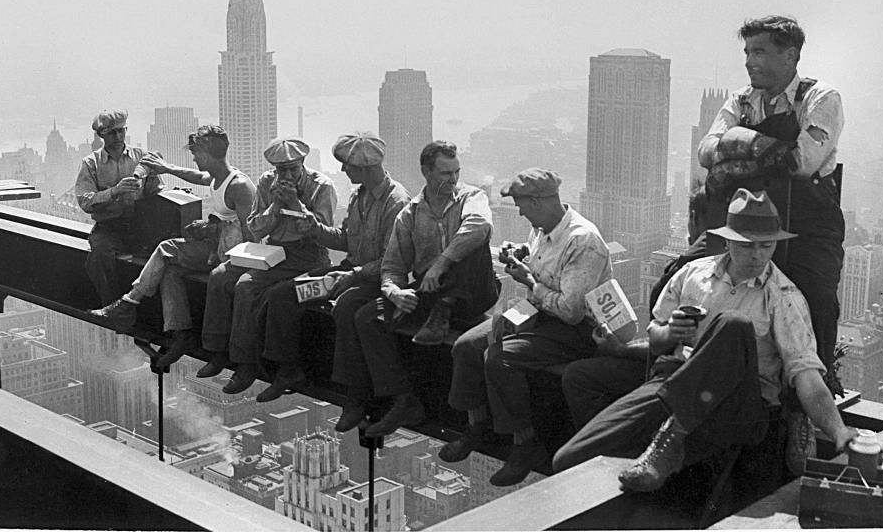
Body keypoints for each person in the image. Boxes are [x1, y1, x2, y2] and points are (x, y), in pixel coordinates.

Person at [552, 188, 858, 495]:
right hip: (675, 385)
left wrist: (838, 430)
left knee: (734, 325)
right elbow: (655, 338)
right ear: (727, 241)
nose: (757, 255)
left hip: (737, 406)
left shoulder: (783, 297)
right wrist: (671, 331)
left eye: (766, 246)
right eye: (747, 245)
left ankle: (671, 439)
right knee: (568, 459)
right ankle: (657, 455)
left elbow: (807, 376)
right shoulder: (693, 275)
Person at [440, 168, 612, 487]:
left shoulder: (582, 241)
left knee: (500, 357)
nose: (518, 211)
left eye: (521, 204)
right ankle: (475, 426)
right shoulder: (543, 228)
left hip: (573, 329)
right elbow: (543, 273)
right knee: (465, 347)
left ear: (536, 201)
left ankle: (525, 443)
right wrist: (521, 257)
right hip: (536, 310)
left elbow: (572, 311)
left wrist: (528, 280)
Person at [698, 15, 844, 377]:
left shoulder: (820, 98)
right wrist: (765, 152)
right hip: (746, 219)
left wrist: (744, 142)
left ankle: (811, 395)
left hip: (808, 222)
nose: (749, 60)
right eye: (747, 51)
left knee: (817, 299)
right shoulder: (742, 101)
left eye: (759, 51)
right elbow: (706, 151)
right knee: (682, 275)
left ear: (790, 55)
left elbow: (802, 162)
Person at [346, 141, 500, 438]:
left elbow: (480, 225)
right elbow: (392, 266)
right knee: (368, 316)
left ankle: (446, 306)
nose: (453, 179)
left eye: (456, 172)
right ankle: (403, 398)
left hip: (472, 290)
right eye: (445, 173)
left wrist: (442, 263)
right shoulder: (410, 214)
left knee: (473, 243)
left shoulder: (472, 197)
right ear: (426, 172)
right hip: (432, 292)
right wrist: (394, 293)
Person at [250, 132, 410, 405]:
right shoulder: (360, 195)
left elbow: (392, 261)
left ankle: (356, 395)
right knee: (285, 295)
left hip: (375, 281)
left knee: (347, 308)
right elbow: (345, 239)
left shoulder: (396, 202)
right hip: (350, 272)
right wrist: (315, 229)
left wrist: (354, 275)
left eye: (347, 165)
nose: (343, 169)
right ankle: (288, 370)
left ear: (364, 167)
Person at [559, 186, 722, 436]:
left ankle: (603, 451)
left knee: (577, 376)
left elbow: (670, 344)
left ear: (693, 218)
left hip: (674, 375)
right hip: (692, 375)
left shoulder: (691, 266)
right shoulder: (721, 261)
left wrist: (621, 349)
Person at [90, 125, 256, 367]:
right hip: (217, 249)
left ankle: (129, 302)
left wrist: (214, 230)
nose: (194, 158)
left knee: (167, 248)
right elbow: (200, 177)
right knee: (171, 270)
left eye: (196, 153)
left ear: (207, 155)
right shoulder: (219, 178)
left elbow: (251, 235)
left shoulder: (239, 186)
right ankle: (181, 334)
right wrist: (167, 169)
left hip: (231, 257)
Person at [200, 137, 337, 395]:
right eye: (280, 170)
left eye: (292, 169)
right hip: (271, 250)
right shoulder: (266, 182)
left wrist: (295, 204)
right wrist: (275, 205)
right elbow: (255, 228)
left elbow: (323, 233)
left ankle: (246, 363)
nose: (286, 175)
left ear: (303, 164)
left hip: (307, 255)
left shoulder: (322, 187)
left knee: (247, 286)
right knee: (219, 276)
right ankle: (217, 350)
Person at [75, 109, 162, 305]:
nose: (118, 136)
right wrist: (115, 191)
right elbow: (85, 201)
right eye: (112, 133)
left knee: (161, 257)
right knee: (99, 259)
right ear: (101, 135)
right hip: (109, 228)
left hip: (140, 226)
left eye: (121, 131)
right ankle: (113, 307)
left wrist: (151, 181)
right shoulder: (91, 163)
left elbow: (156, 193)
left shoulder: (140, 156)